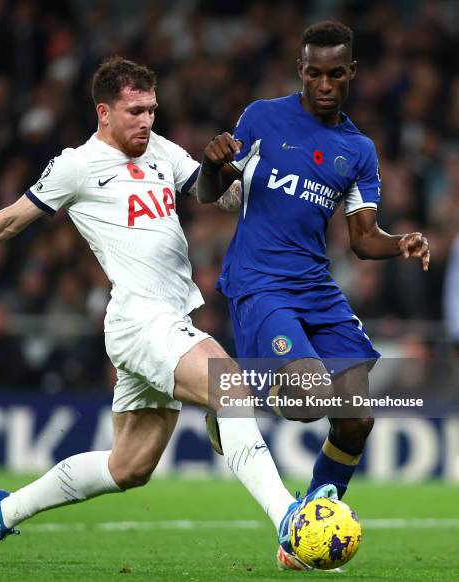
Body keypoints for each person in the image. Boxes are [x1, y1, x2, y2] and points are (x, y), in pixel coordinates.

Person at [0, 57, 338, 569]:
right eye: (135, 111)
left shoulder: (161, 150)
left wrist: (263, 174)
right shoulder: (77, 165)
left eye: (152, 110)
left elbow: (224, 197)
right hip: (139, 318)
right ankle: (288, 520)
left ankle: (2, 510)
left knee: (129, 467)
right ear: (104, 111)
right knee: (228, 385)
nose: (147, 121)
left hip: (169, 318)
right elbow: (9, 221)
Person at [197, 20, 430, 570]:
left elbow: (362, 238)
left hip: (316, 287)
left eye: (336, 75)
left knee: (356, 417)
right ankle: (237, 401)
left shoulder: (359, 149)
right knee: (307, 398)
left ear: (352, 74)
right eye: (314, 74)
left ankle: (304, 526)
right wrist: (212, 165)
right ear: (301, 71)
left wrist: (401, 243)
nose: (324, 85)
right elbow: (211, 193)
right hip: (259, 282)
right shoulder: (261, 118)